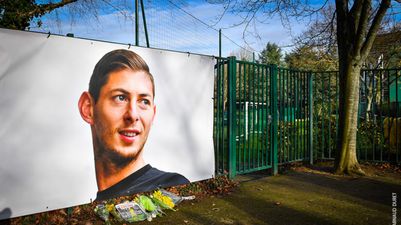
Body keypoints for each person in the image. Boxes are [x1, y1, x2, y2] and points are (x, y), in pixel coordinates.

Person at [78, 49, 189, 201]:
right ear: (88, 108)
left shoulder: (170, 187)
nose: (133, 115)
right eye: (120, 98)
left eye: (144, 102)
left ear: (153, 114)